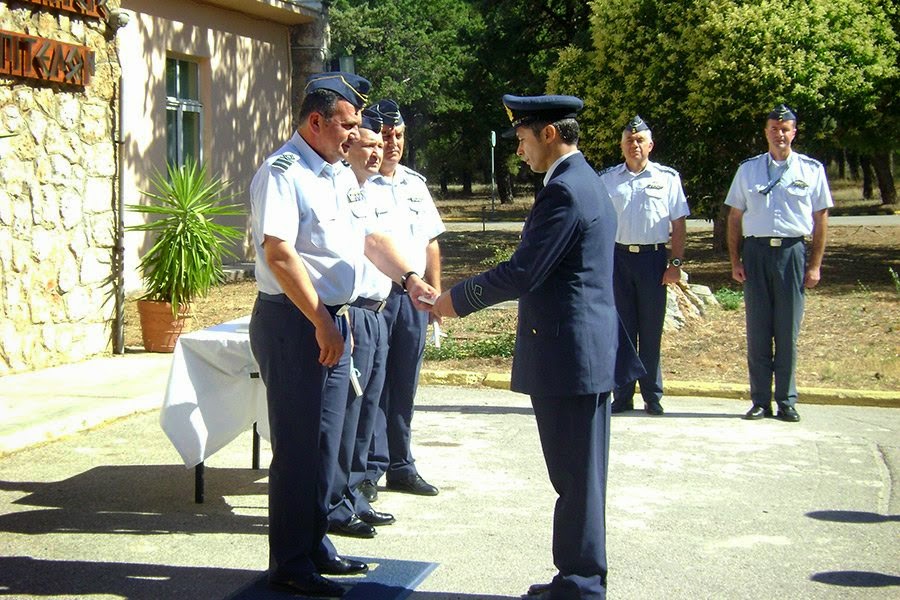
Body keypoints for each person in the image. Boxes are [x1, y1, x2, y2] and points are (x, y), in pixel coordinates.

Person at [432, 94, 643, 600]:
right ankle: (581, 576)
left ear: (549, 134)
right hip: (583, 353)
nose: (519, 151)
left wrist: (453, 301)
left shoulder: (566, 192)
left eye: (523, 139)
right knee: (581, 479)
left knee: (575, 479)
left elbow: (524, 271)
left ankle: (580, 584)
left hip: (570, 356)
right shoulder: (584, 182)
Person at [248, 72, 436, 597]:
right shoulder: (283, 173)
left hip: (332, 321)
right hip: (296, 323)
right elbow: (279, 254)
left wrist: (410, 278)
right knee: (299, 448)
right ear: (317, 121)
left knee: (326, 443)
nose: (357, 135)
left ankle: (314, 544)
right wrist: (322, 321)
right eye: (348, 125)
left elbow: (370, 238)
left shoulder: (333, 174)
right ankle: (290, 560)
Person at [358, 99, 446, 500]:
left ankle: (401, 464)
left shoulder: (414, 183)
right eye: (386, 136)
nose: (391, 144)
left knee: (405, 381)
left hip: (414, 297)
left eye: (398, 136)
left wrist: (436, 295)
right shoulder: (358, 180)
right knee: (374, 383)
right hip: (376, 296)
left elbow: (430, 243)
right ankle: (370, 468)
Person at [725, 103, 832, 423]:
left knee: (787, 331)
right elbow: (734, 217)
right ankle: (760, 400)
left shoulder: (811, 170)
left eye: (785, 129)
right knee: (758, 331)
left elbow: (821, 218)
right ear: (766, 132)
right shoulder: (748, 170)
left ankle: (786, 400)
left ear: (794, 132)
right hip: (756, 254)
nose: (779, 134)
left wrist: (815, 265)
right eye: (774, 128)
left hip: (792, 254)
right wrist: (735, 260)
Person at [325, 108, 397, 539]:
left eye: (378, 145)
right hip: (352, 311)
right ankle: (336, 504)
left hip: (378, 312)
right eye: (367, 144)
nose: (377, 152)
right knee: (347, 415)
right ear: (348, 147)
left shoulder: (369, 193)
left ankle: (354, 495)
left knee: (367, 410)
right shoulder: (335, 188)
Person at [598, 115, 689, 416]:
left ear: (650, 145)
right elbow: (596, 223)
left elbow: (678, 224)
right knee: (622, 331)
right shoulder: (607, 180)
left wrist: (674, 263)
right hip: (618, 260)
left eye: (639, 140)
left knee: (651, 332)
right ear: (621, 146)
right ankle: (622, 396)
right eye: (629, 140)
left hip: (653, 260)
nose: (634, 145)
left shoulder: (667, 178)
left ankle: (652, 395)